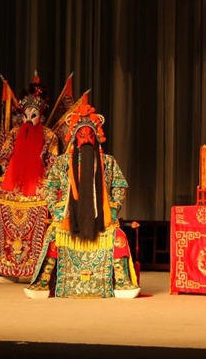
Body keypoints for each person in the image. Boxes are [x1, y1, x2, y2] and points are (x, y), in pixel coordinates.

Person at [24, 102, 139, 299]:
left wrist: (113, 208)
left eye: (90, 135)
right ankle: (43, 281)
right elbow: (49, 187)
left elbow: (120, 186)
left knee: (118, 237)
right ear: (75, 138)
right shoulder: (62, 162)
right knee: (53, 238)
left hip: (100, 218)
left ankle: (122, 281)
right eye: (82, 135)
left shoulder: (108, 162)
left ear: (96, 137)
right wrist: (57, 208)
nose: (86, 139)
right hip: (69, 217)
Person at [0, 73, 59, 283]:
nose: (29, 117)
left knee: (43, 216)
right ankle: (8, 267)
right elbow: (2, 155)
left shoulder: (49, 136)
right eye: (26, 113)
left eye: (34, 113)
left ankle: (34, 268)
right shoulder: (14, 133)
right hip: (14, 183)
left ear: (41, 115)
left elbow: (53, 162)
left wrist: (44, 181)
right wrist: (9, 172)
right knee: (0, 206)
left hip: (37, 186)